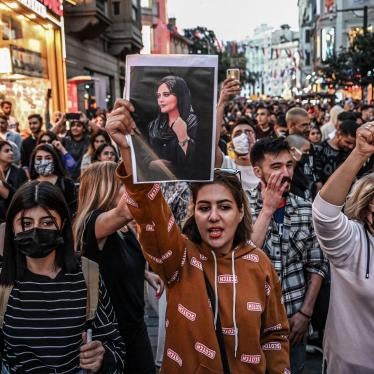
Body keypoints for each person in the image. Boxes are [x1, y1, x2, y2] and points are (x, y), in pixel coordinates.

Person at [105, 98, 290, 373]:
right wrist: (127, 149)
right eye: (204, 207)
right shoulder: (178, 259)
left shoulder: (260, 265)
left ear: (241, 213)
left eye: (224, 207)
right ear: (194, 214)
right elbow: (149, 209)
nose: (213, 215)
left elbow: (275, 337)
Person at [0, 180, 125, 372]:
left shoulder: (87, 275)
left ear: (62, 224)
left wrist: (102, 358)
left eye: (47, 222)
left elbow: (116, 347)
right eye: (26, 223)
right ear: (12, 228)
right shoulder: (3, 282)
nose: (36, 231)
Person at [248, 137, 328, 374]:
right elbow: (244, 257)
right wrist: (267, 210)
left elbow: (317, 264)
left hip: (293, 322)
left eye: (289, 165)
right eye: (276, 167)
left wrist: (306, 313)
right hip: (252, 320)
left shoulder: (305, 209)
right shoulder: (240, 206)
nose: (285, 173)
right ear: (257, 171)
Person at [74, 161, 162, 373]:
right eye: (119, 183)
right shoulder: (90, 224)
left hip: (136, 326)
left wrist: (144, 274)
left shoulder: (122, 231)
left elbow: (117, 261)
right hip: (112, 335)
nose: (125, 188)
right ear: (103, 188)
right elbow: (126, 210)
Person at [312, 122, 374, 373]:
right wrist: (359, 153)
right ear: (368, 208)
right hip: (351, 366)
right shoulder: (353, 242)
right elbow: (324, 214)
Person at [141, 75, 198, 179]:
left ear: (180, 96)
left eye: (166, 94)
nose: (160, 100)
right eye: (158, 96)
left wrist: (183, 137)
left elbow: (196, 163)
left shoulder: (192, 122)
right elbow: (144, 154)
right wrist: (152, 164)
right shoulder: (154, 125)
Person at [29, 144, 77, 217]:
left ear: (54, 160)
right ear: (33, 161)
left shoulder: (66, 183)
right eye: (39, 158)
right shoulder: (29, 185)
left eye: (48, 158)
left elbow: (73, 209)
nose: (43, 162)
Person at [314, 120, 357, 185]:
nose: (351, 146)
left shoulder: (350, 152)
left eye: (353, 144)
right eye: (348, 142)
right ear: (338, 135)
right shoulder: (319, 149)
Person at [62, 115, 90, 182]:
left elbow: (101, 133)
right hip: (69, 178)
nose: (75, 128)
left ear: (83, 129)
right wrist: (61, 121)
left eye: (78, 125)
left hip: (85, 177)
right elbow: (50, 134)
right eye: (73, 125)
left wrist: (87, 121)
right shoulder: (66, 140)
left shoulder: (88, 140)